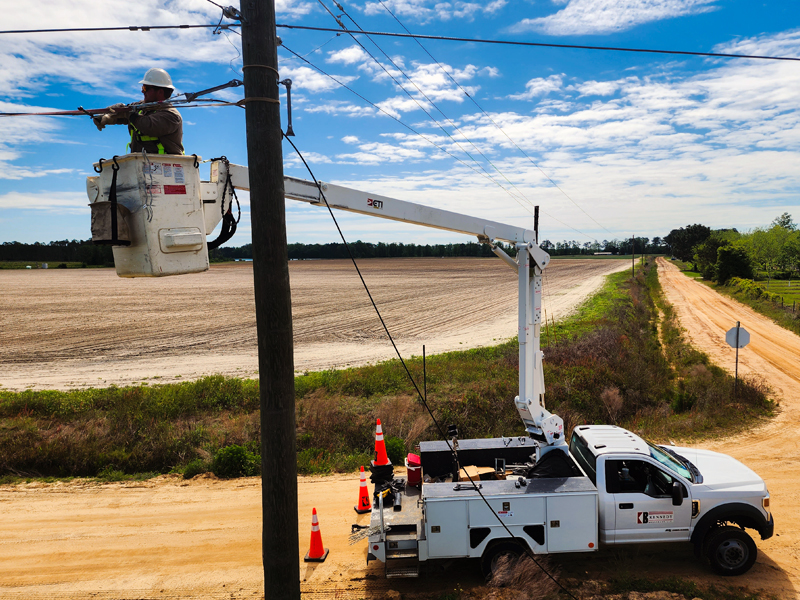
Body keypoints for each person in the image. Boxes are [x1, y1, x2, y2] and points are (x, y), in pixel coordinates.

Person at [94, 68, 184, 155]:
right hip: (142, 165)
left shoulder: (172, 116)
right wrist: (107, 117)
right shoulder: (143, 107)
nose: (142, 91)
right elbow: (125, 113)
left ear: (160, 92)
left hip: (166, 167)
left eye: (145, 88)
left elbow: (147, 125)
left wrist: (128, 113)